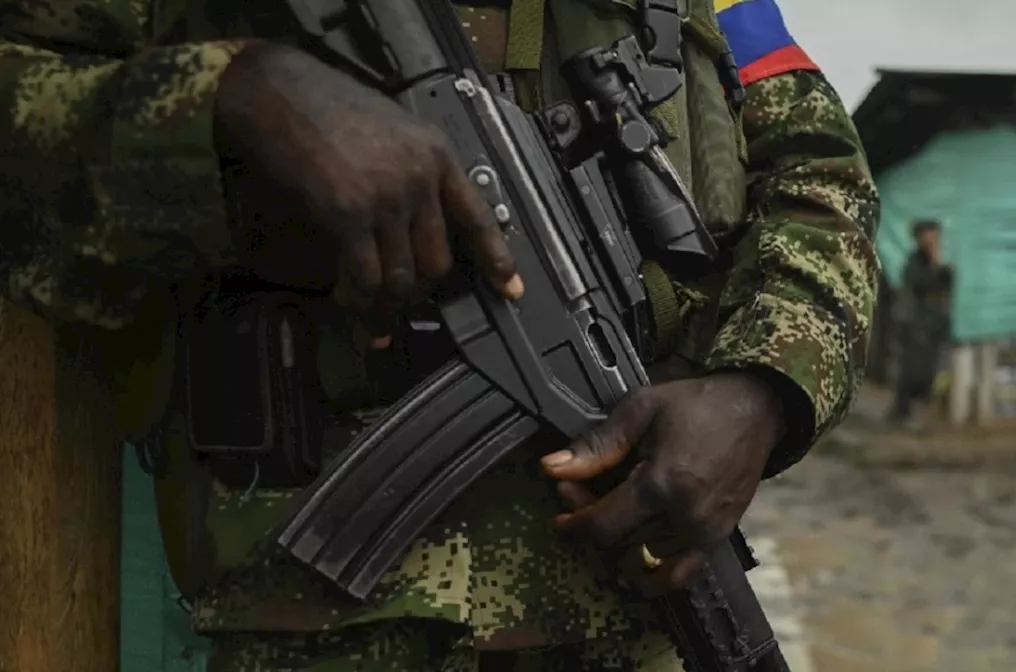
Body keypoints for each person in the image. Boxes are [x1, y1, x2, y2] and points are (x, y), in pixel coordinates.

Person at [0, 0, 880, 669]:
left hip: (642, 618)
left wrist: (765, 387)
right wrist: (228, 98)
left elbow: (824, 180)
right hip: (317, 625)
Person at [887, 220, 952, 427]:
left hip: (934, 325)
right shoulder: (914, 261)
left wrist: (938, 264)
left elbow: (947, 283)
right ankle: (901, 412)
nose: (930, 240)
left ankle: (919, 412)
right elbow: (917, 285)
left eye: (933, 235)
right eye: (926, 235)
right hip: (915, 323)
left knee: (930, 371)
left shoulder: (942, 262)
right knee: (910, 370)